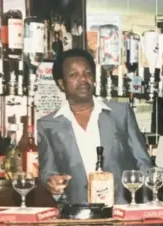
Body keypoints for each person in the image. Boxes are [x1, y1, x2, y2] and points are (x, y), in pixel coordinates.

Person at [37, 48, 153, 205]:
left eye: (88, 73)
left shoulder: (120, 113)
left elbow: (143, 163)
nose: (83, 79)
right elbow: (47, 172)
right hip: (78, 216)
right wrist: (52, 183)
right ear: (61, 84)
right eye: (73, 75)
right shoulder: (48, 125)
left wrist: (145, 206)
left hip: (124, 212)